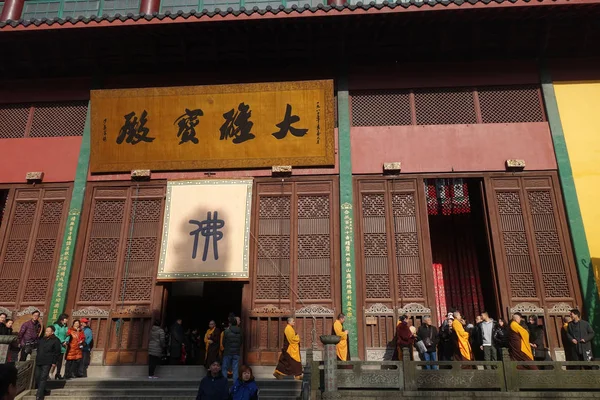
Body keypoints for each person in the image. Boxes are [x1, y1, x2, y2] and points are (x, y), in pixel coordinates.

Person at [35, 326, 61, 400]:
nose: (46, 332)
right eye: (46, 331)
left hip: (48, 361)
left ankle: (39, 395)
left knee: (43, 377)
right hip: (39, 360)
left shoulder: (56, 340)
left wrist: (54, 362)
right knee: (37, 377)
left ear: (52, 332)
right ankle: (43, 390)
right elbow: (38, 348)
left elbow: (57, 352)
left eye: (48, 331)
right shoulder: (42, 339)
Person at [222, 315, 242, 380]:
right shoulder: (240, 331)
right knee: (235, 369)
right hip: (236, 353)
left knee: (225, 368)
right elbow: (241, 342)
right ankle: (235, 385)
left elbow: (223, 342)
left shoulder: (226, 331)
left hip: (227, 352)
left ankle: (224, 384)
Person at [52, 314, 69, 380]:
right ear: (62, 319)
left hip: (63, 346)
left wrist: (66, 341)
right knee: (54, 360)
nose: (67, 320)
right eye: (66, 318)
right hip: (57, 345)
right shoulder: (56, 326)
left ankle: (58, 373)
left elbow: (68, 334)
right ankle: (51, 373)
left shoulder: (65, 327)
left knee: (60, 361)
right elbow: (56, 335)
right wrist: (62, 341)